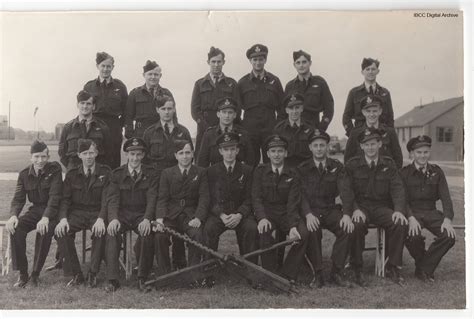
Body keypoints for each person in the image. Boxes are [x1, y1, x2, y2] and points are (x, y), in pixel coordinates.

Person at [342, 127, 408, 286]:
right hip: (361, 207)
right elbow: (347, 191)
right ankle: (356, 267)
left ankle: (393, 266)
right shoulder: (352, 165)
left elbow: (398, 188)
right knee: (356, 225)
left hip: (381, 208)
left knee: (399, 223)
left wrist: (398, 210)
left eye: (373, 143)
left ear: (380, 144)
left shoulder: (389, 164)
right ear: (361, 146)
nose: (370, 147)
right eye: (366, 144)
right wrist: (355, 209)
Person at [297, 130, 353, 288]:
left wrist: (347, 215)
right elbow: (300, 195)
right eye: (316, 145)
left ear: (327, 146)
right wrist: (307, 214)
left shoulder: (336, 166)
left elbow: (346, 192)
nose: (319, 148)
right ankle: (318, 273)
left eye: (322, 145)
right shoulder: (303, 168)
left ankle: (337, 271)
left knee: (347, 228)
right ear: (310, 147)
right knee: (313, 230)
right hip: (312, 210)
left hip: (329, 209)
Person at [142, 96, 192, 270]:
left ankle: (180, 261)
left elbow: (188, 156)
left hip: (178, 180)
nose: (167, 112)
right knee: (161, 217)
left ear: (174, 109)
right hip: (156, 181)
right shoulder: (149, 132)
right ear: (157, 110)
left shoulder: (183, 131)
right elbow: (145, 160)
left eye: (170, 108)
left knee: (178, 215)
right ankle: (158, 262)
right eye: (163, 109)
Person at [104, 137, 159, 292]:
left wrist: (147, 219)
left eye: (138, 154)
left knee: (147, 234)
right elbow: (113, 199)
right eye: (132, 154)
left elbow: (152, 199)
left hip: (141, 214)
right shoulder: (117, 174)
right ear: (126, 155)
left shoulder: (151, 174)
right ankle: (112, 279)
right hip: (122, 214)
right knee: (112, 232)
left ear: (143, 156)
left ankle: (142, 278)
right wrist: (113, 219)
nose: (135, 158)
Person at [251, 135, 308, 282]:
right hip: (267, 212)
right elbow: (256, 198)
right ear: (268, 154)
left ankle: (288, 273)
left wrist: (293, 225)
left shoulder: (293, 173)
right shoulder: (260, 171)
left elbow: (293, 202)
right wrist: (262, 218)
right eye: (273, 151)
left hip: (285, 213)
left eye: (280, 151)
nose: (277, 154)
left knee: (303, 233)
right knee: (264, 232)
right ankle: (270, 274)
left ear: (286, 153)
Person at [6, 141, 62, 288]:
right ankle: (23, 274)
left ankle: (35, 274)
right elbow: (18, 198)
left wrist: (46, 217)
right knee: (16, 229)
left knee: (44, 230)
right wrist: (13, 216)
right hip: (36, 210)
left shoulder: (54, 170)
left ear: (48, 156)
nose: (40, 160)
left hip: (52, 211)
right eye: (37, 157)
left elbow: (54, 197)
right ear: (31, 157)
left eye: (44, 156)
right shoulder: (24, 174)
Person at [55, 139, 110, 288]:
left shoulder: (105, 172)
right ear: (79, 155)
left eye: (91, 152)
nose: (89, 156)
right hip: (77, 213)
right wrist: (63, 219)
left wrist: (101, 218)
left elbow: (107, 200)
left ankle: (93, 273)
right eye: (85, 153)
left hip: (96, 212)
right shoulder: (72, 174)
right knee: (61, 231)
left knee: (100, 231)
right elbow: (65, 200)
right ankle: (76, 274)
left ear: (97, 153)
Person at [401, 135, 456, 282]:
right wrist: (410, 218)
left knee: (449, 236)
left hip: (431, 212)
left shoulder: (437, 172)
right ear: (412, 154)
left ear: (429, 152)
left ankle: (423, 267)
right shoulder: (404, 173)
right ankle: (424, 267)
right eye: (418, 152)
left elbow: (446, 198)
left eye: (425, 152)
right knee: (413, 236)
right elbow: (402, 200)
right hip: (413, 213)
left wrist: (447, 219)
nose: (422, 156)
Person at [154, 140, 209, 282]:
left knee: (197, 234)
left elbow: (204, 198)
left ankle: (193, 274)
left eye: (188, 153)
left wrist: (198, 217)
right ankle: (164, 274)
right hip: (171, 215)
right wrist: (160, 219)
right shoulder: (167, 173)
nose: (185, 156)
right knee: (160, 236)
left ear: (192, 154)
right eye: (181, 153)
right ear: (176, 156)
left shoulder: (201, 172)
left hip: (190, 215)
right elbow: (162, 198)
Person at [203, 132, 258, 262]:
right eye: (226, 150)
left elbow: (250, 198)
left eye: (232, 149)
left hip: (240, 215)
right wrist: (221, 215)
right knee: (209, 229)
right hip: (220, 214)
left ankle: (249, 267)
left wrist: (239, 215)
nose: (229, 153)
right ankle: (209, 266)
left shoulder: (247, 170)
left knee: (251, 228)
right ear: (220, 151)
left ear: (237, 150)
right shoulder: (211, 171)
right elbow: (209, 198)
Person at [237, 44, 285, 164]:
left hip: (270, 128)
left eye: (261, 59)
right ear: (250, 61)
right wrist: (242, 129)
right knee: (250, 163)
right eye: (255, 59)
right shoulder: (242, 83)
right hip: (250, 130)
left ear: (265, 60)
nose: (258, 62)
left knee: (272, 163)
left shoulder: (274, 81)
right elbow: (237, 109)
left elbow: (282, 107)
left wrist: (277, 126)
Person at [191, 46, 240, 156]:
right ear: (208, 62)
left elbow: (238, 108)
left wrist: (227, 127)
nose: (216, 65)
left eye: (219, 62)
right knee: (201, 158)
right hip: (205, 128)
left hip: (226, 128)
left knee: (227, 156)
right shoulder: (200, 84)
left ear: (224, 62)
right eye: (213, 62)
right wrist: (206, 127)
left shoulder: (231, 83)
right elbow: (195, 110)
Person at [84, 51, 128, 169]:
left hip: (113, 127)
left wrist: (119, 126)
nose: (105, 69)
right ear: (97, 66)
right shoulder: (89, 87)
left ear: (113, 67)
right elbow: (84, 107)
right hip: (95, 126)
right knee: (95, 158)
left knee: (113, 160)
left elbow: (126, 111)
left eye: (108, 66)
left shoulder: (120, 86)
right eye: (103, 66)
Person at [58, 90, 112, 171]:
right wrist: (72, 169)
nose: (85, 106)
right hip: (74, 174)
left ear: (93, 106)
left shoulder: (102, 127)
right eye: (82, 103)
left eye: (88, 103)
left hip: (96, 173)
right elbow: (62, 153)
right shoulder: (68, 128)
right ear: (77, 105)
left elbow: (109, 152)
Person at [344, 95, 403, 168]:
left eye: (375, 111)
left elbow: (398, 159)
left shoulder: (390, 132)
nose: (371, 114)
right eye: (368, 111)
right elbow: (347, 160)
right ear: (363, 112)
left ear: (380, 111)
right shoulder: (355, 133)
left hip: (384, 176)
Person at [342, 57, 394, 137]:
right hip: (361, 136)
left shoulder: (385, 93)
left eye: (373, 69)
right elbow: (346, 117)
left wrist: (388, 135)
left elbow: (390, 118)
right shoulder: (354, 93)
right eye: (367, 69)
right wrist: (353, 135)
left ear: (378, 71)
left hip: (381, 136)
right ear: (362, 72)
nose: (370, 72)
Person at [197, 97, 255, 167]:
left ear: (235, 115)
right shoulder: (209, 135)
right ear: (218, 114)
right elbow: (202, 163)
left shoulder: (244, 134)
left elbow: (251, 162)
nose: (227, 116)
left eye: (230, 112)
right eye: (224, 112)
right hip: (215, 176)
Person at [284, 50, 334, 131]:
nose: (301, 65)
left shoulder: (320, 83)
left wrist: (321, 128)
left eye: (304, 62)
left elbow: (329, 108)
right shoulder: (289, 86)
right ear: (294, 65)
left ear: (310, 63)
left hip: (313, 128)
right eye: (298, 63)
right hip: (294, 130)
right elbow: (284, 111)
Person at [125, 60, 174, 138]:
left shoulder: (166, 93)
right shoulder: (135, 93)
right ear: (144, 75)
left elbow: (173, 115)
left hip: (161, 133)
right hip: (141, 134)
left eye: (156, 74)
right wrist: (130, 136)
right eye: (150, 74)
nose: (153, 77)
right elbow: (128, 116)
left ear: (160, 75)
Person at [273, 93, 314, 168]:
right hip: (286, 169)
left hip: (306, 169)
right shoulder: (279, 129)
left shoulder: (310, 128)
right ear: (286, 110)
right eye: (291, 108)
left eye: (297, 107)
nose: (294, 111)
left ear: (301, 109)